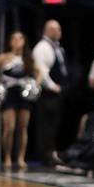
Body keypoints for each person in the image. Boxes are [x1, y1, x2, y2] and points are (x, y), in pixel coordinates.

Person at [0, 31, 40, 170]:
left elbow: (40, 72)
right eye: (14, 38)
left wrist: (35, 84)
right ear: (10, 42)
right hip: (9, 93)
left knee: (22, 127)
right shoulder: (4, 57)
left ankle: (20, 157)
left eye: (20, 38)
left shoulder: (28, 58)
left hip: (23, 94)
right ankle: (7, 156)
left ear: (24, 41)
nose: (17, 41)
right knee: (9, 127)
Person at [32, 19, 69, 165]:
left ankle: (52, 152)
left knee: (54, 125)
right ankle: (46, 155)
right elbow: (41, 71)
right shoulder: (42, 48)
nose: (57, 32)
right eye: (53, 29)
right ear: (46, 31)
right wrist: (52, 86)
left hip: (58, 93)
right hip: (48, 93)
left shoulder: (58, 48)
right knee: (46, 125)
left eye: (58, 29)